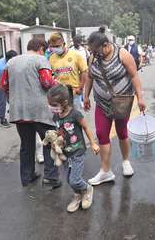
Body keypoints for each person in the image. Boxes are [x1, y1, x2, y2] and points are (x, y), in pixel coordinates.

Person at [84, 27, 147, 185]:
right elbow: (90, 77)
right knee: (101, 133)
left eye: (97, 51)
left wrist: (140, 98)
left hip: (121, 101)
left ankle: (126, 161)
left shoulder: (122, 54)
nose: (95, 54)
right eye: (93, 51)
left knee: (122, 132)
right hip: (102, 102)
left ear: (106, 45)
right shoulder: (93, 57)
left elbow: (134, 76)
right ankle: (106, 171)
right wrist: (86, 96)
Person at [0, 38, 61, 188]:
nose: (45, 53)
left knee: (26, 146)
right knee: (49, 142)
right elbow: (46, 82)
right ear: (40, 48)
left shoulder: (11, 62)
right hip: (40, 111)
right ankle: (51, 177)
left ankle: (27, 177)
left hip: (19, 111)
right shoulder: (40, 60)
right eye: (45, 50)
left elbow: (3, 85)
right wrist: (56, 83)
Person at [47, 84, 100, 213]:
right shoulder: (56, 116)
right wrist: (55, 142)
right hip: (65, 154)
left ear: (64, 103)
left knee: (75, 179)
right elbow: (59, 132)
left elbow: (86, 128)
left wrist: (93, 143)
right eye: (50, 105)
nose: (52, 108)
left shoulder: (75, 114)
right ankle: (78, 195)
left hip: (77, 152)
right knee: (69, 179)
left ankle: (87, 189)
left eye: (54, 106)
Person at [49, 32, 88, 110]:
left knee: (76, 119)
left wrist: (80, 88)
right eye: (52, 46)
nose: (55, 48)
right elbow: (52, 75)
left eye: (57, 46)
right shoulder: (51, 58)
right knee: (62, 120)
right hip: (59, 95)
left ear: (64, 44)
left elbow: (84, 72)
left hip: (74, 93)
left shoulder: (76, 55)